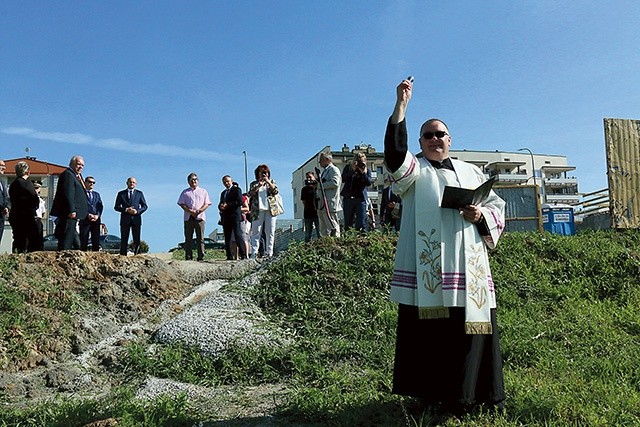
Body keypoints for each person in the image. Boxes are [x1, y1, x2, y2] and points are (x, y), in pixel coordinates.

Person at [385, 77, 506, 412]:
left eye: (440, 134)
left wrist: (479, 214)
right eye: (428, 135)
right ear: (420, 142)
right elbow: (395, 155)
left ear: (450, 140)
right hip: (430, 274)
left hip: (470, 272)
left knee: (471, 334)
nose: (435, 139)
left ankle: (473, 396)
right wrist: (401, 107)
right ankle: (432, 396)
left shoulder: (472, 173)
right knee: (431, 338)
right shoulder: (414, 171)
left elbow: (497, 208)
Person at [50, 155, 88, 250]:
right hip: (68, 214)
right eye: (78, 164)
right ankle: (63, 256)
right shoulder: (68, 175)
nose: (81, 167)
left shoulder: (77, 176)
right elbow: (68, 193)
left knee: (71, 238)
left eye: (82, 165)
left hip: (73, 214)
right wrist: (72, 210)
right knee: (66, 240)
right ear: (72, 163)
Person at [177, 172, 212, 261]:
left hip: (200, 217)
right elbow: (181, 203)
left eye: (195, 179)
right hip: (188, 217)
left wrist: (199, 210)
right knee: (188, 238)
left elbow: (207, 203)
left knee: (200, 238)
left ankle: (201, 256)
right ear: (188, 182)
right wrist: (189, 211)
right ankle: (188, 256)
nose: (194, 181)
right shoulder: (185, 192)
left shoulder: (203, 191)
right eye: (192, 180)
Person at [8, 161, 40, 253]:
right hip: (26, 217)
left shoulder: (13, 185)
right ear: (27, 172)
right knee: (31, 241)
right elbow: (34, 200)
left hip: (15, 216)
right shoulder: (27, 184)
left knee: (18, 239)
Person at [248, 164, 278, 258]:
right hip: (258, 210)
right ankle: (254, 252)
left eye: (266, 172)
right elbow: (250, 194)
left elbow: (276, 191)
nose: (264, 174)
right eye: (262, 173)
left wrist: (268, 182)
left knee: (270, 231)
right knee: (256, 231)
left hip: (270, 209)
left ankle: (269, 252)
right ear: (258, 174)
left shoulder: (271, 182)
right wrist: (258, 186)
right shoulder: (254, 183)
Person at [114, 177, 147, 255]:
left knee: (137, 239)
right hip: (125, 219)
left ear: (135, 184)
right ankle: (123, 255)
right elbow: (116, 207)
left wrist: (137, 211)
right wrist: (126, 209)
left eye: (133, 182)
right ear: (127, 183)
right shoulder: (121, 193)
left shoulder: (139, 193)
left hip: (136, 219)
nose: (132, 184)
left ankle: (137, 255)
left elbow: (145, 206)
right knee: (124, 238)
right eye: (130, 182)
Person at [340, 152, 373, 231]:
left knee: (361, 223)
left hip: (360, 199)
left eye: (362, 161)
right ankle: (349, 240)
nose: (360, 163)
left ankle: (362, 239)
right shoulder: (348, 168)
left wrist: (363, 173)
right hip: (348, 198)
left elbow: (368, 183)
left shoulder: (366, 170)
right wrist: (353, 170)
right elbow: (343, 179)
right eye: (358, 161)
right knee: (348, 223)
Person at [218, 175, 247, 260]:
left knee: (238, 235)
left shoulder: (236, 190)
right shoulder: (223, 193)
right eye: (224, 182)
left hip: (234, 216)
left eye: (227, 181)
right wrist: (221, 206)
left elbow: (239, 201)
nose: (226, 183)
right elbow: (220, 203)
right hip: (226, 217)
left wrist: (228, 205)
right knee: (227, 237)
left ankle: (243, 254)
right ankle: (229, 255)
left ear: (231, 181)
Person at [316, 152, 342, 237]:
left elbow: (335, 183)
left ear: (327, 159)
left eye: (321, 160)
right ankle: (325, 243)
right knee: (323, 228)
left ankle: (336, 242)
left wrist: (320, 185)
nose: (319, 162)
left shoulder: (333, 169)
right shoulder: (325, 171)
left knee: (332, 224)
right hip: (322, 204)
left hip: (330, 203)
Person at [80, 176, 103, 251]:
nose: (91, 184)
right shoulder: (81, 193)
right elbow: (80, 205)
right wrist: (88, 214)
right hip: (85, 219)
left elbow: (100, 206)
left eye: (93, 182)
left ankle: (95, 256)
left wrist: (97, 215)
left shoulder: (97, 194)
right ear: (85, 183)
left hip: (95, 220)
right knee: (84, 239)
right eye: (90, 182)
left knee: (96, 240)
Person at [300, 171, 320, 242]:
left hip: (318, 213)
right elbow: (304, 201)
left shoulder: (318, 187)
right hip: (308, 213)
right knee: (308, 234)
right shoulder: (304, 189)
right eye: (307, 177)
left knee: (319, 232)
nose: (309, 179)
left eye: (310, 177)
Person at [33, 180, 46, 251]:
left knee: (39, 238)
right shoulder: (29, 197)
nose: (36, 190)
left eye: (38, 188)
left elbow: (43, 211)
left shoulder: (41, 199)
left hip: (38, 219)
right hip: (31, 219)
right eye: (35, 187)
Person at [0, 159, 10, 246]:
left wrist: (6, 207)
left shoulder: (2, 183)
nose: (4, 168)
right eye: (1, 166)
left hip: (1, 217)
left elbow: (5, 198)